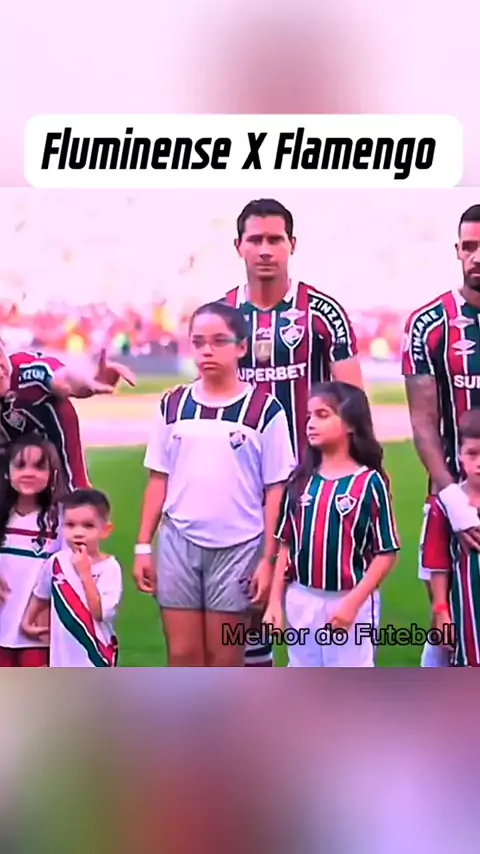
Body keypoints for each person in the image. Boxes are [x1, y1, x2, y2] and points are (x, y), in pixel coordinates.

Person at [222, 197, 366, 666]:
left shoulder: (322, 313)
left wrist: (362, 476)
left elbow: (352, 403)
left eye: (275, 239)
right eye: (255, 240)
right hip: (243, 486)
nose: (265, 249)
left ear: (292, 245)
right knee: (250, 612)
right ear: (239, 246)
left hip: (313, 485)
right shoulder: (222, 315)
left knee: (319, 612)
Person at [133, 301, 296, 667]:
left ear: (241, 346)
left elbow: (276, 490)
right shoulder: (173, 405)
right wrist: (143, 545)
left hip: (240, 546)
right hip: (179, 541)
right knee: (183, 654)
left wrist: (268, 559)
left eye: (219, 341)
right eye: (199, 342)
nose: (207, 350)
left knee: (224, 657)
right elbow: (158, 477)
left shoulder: (264, 409)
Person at [264, 382, 400, 667]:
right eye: (309, 416)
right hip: (301, 599)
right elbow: (286, 544)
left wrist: (352, 603)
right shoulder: (300, 481)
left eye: (323, 415)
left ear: (350, 424)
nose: (311, 423)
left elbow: (386, 553)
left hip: (350, 601)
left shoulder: (369, 482)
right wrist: (275, 601)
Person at [402, 203, 480, 667]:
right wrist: (453, 499)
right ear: (457, 251)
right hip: (450, 503)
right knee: (446, 625)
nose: (477, 256)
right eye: (469, 247)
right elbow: (422, 423)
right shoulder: (429, 324)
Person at [0, 343, 135, 491]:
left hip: (65, 481)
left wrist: (86, 382)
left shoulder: (25, 372)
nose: (0, 372)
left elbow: (60, 377)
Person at [21, 488, 122, 667]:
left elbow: (99, 613)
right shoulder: (56, 562)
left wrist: (85, 574)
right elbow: (41, 593)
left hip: (96, 658)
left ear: (105, 530)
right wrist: (28, 621)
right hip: (61, 659)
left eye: (88, 526)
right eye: (70, 525)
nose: (78, 532)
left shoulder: (110, 568)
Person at [0, 435, 66, 667]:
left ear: (52, 474)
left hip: (38, 629)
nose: (29, 473)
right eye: (20, 466)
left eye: (39, 467)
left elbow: (67, 571)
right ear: (7, 473)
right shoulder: (4, 515)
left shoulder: (60, 518)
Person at [422, 409, 480, 666]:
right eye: (472, 454)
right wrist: (441, 611)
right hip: (467, 611)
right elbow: (438, 565)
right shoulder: (445, 506)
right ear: (459, 456)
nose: (479, 462)